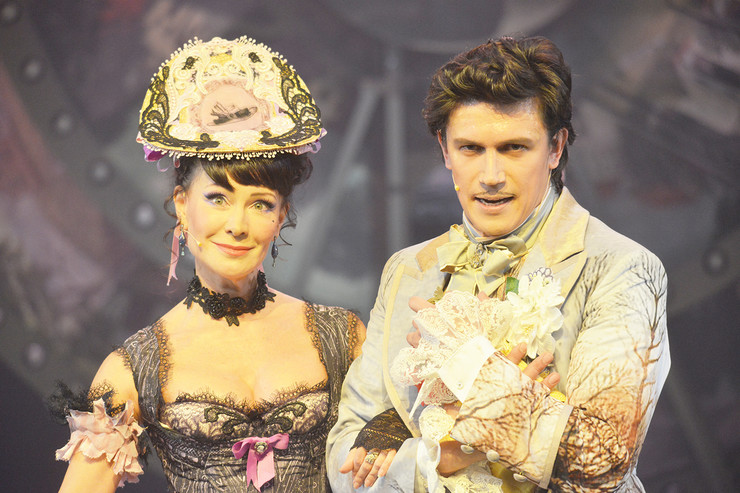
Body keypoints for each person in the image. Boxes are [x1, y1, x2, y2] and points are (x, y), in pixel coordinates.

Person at [326, 35, 669, 492]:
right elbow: (344, 459)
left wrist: (472, 370)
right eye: (471, 148)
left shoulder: (622, 267)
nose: (490, 177)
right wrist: (442, 459)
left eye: (514, 148)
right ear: (445, 150)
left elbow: (603, 461)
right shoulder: (407, 268)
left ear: (555, 147)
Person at [52, 36, 366, 492]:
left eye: (260, 204)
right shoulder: (136, 367)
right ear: (182, 204)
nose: (237, 225)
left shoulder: (341, 336)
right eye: (217, 198)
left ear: (281, 216)